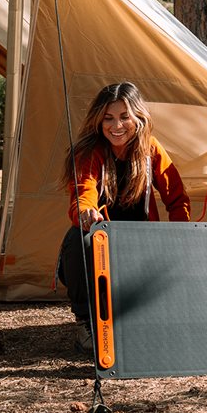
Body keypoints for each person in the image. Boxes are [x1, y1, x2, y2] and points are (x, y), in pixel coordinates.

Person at [57, 81, 190, 350]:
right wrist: (85, 214)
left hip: (141, 244)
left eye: (124, 117)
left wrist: (180, 235)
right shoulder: (88, 152)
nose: (116, 126)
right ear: (98, 120)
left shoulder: (151, 149)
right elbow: (82, 195)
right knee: (78, 238)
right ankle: (84, 322)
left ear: (137, 117)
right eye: (108, 118)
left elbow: (177, 199)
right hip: (102, 244)